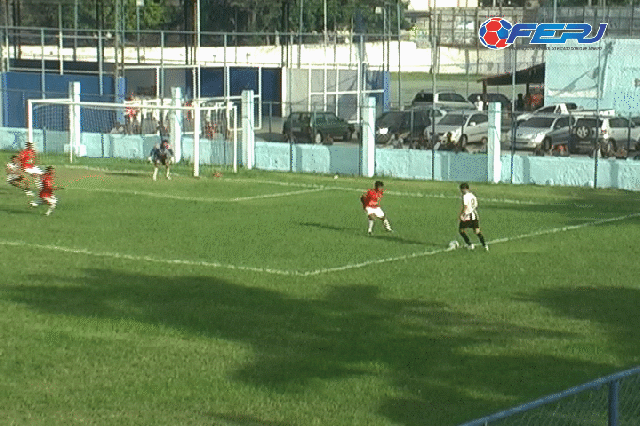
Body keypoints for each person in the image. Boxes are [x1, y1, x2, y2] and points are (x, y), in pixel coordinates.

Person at [458, 182, 488, 251]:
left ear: (465, 189)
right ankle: (485, 245)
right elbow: (476, 205)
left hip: (467, 216)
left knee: (461, 230)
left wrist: (462, 215)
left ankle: (470, 244)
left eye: (462, 190)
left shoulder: (465, 196)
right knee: (477, 231)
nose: (461, 191)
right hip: (474, 215)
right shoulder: (472, 195)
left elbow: (465, 207)